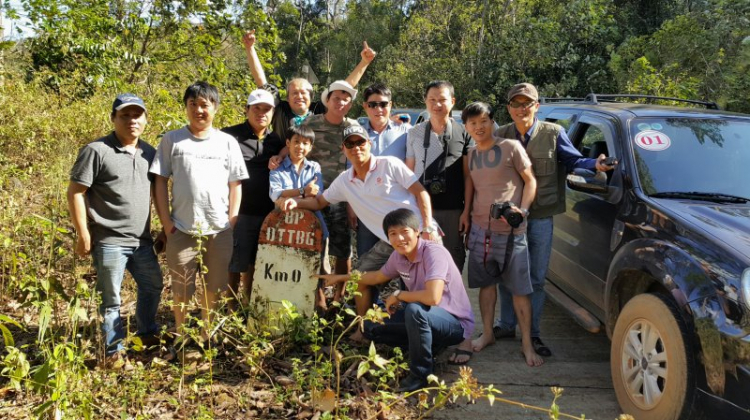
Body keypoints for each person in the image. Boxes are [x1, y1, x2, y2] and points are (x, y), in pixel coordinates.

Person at [276, 124, 440, 341]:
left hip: (417, 237)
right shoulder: (345, 180)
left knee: (423, 291)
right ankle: (364, 329)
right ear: (344, 149)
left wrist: (428, 227)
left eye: (360, 142)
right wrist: (293, 202)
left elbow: (421, 193)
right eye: (350, 144)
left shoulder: (389, 164)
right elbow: (318, 202)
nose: (356, 148)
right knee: (359, 278)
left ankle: (433, 335)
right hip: (388, 242)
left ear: (369, 144)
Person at [493, 83, 614, 357]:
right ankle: (506, 324)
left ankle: (532, 334)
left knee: (536, 278)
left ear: (537, 106)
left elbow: (574, 162)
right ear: (509, 108)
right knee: (505, 275)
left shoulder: (553, 133)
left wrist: (595, 165)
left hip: (540, 217)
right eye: (516, 104)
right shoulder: (500, 135)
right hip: (507, 218)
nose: (522, 109)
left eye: (528, 103)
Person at [319, 208, 475, 392]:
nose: (400, 239)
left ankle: (420, 374)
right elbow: (376, 277)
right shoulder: (398, 256)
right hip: (425, 316)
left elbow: (433, 297)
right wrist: (340, 278)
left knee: (414, 310)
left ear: (417, 232)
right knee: (371, 326)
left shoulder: (434, 253)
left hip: (453, 323)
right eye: (393, 234)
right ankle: (429, 345)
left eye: (404, 232)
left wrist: (399, 295)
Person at [67, 93, 163, 363]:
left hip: (142, 240)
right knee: (111, 300)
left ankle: (146, 333)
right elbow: (75, 192)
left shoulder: (150, 153)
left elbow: (158, 193)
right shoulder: (96, 151)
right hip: (109, 240)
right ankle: (112, 353)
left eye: (137, 115)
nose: (132, 121)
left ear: (145, 120)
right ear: (113, 119)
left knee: (153, 286)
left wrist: (164, 229)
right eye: (125, 115)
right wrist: (83, 232)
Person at [150, 82, 248, 339]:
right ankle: (182, 336)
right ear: (186, 107)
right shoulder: (172, 139)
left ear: (215, 108)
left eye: (204, 104)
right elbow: (159, 181)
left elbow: (235, 184)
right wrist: (166, 223)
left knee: (214, 287)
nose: (199, 110)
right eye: (193, 104)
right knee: (181, 288)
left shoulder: (227, 142)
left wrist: (231, 220)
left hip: (219, 229)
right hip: (181, 228)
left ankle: (208, 334)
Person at [461, 102, 541, 367]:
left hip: (511, 231)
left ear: (492, 122)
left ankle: (527, 344)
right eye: (473, 123)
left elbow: (530, 180)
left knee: (519, 289)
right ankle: (488, 334)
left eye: (483, 121)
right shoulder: (471, 154)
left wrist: (524, 211)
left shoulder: (511, 147)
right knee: (486, 285)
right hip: (481, 229)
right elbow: (471, 185)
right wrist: (467, 214)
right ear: (466, 127)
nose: (479, 127)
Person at [242, 29, 377, 140]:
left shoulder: (318, 110)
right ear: (287, 98)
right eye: (294, 93)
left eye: (303, 93)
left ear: (311, 97)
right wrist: (250, 48)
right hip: (283, 165)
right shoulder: (281, 110)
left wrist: (364, 62)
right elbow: (262, 82)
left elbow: (343, 89)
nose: (299, 96)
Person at [221, 88, 285, 309]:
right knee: (235, 262)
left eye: (266, 109)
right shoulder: (229, 136)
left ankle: (247, 304)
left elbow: (288, 151)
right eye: (256, 108)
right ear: (247, 110)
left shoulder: (274, 139)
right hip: (240, 211)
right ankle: (230, 308)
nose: (261, 113)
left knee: (254, 262)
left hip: (267, 213)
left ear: (272, 113)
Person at [406, 81, 473, 272]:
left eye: (442, 100)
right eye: (432, 100)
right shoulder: (415, 133)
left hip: (453, 210)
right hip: (420, 210)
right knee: (421, 261)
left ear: (452, 101)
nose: (437, 105)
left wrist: (466, 211)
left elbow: (468, 177)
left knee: (453, 261)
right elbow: (408, 173)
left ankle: (450, 301)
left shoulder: (464, 132)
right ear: (425, 102)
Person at [301, 80, 360, 291]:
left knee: (343, 251)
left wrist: (354, 202)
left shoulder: (354, 128)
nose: (341, 102)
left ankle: (339, 298)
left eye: (346, 99)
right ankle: (319, 298)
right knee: (316, 247)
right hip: (316, 197)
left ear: (351, 104)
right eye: (336, 98)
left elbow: (360, 165)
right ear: (327, 100)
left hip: (343, 199)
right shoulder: (310, 124)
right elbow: (296, 151)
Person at [268, 125, 329, 307]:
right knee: (286, 263)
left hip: (314, 223)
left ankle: (320, 299)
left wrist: (291, 197)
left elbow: (318, 197)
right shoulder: (278, 167)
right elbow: (276, 195)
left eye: (305, 143)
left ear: (310, 147)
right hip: (284, 224)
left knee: (318, 263)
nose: (300, 147)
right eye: (296, 142)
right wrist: (303, 191)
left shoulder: (314, 167)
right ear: (288, 143)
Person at [353, 82, 410, 257]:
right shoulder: (357, 135)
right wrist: (351, 207)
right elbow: (351, 172)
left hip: (398, 208)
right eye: (373, 104)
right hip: (367, 208)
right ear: (365, 106)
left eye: (383, 104)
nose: (378, 109)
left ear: (390, 105)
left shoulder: (406, 132)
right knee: (366, 261)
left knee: (406, 263)